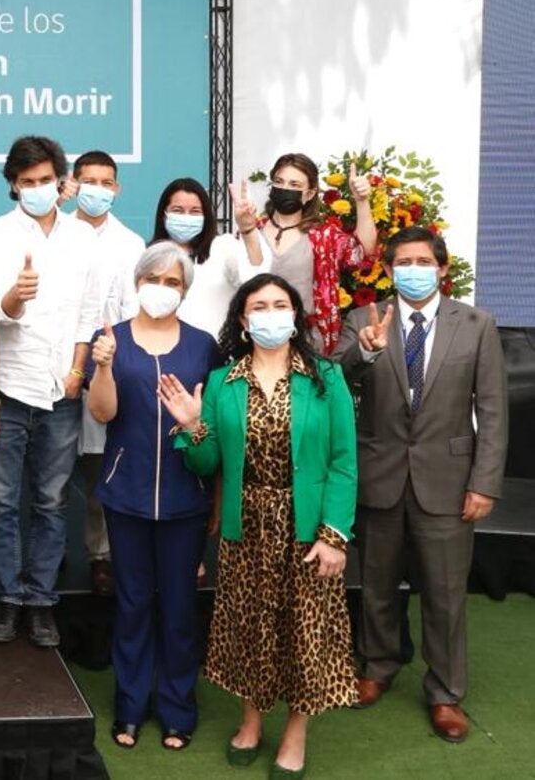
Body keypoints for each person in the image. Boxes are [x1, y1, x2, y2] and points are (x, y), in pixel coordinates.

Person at [161, 273, 358, 778]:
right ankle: (250, 721)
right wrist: (192, 425)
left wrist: (333, 535)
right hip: (245, 526)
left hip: (307, 528)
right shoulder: (224, 382)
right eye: (259, 307)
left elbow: (343, 461)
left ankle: (295, 733)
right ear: (244, 322)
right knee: (250, 629)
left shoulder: (326, 378)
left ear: (294, 316)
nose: (272, 314)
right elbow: (207, 463)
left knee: (304, 634)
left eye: (280, 305)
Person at [335, 227, 507, 743]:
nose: (414, 270)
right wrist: (363, 352)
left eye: (423, 261)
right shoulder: (362, 319)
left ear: (442, 268)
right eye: (403, 263)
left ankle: (445, 691)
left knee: (445, 592)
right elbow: (334, 380)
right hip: (380, 475)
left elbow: (492, 410)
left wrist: (484, 483)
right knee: (377, 586)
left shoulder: (476, 325)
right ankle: (378, 666)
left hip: (449, 481)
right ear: (389, 270)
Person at [86, 242, 220, 751]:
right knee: (133, 603)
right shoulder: (112, 340)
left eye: (173, 283)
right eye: (154, 280)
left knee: (180, 607)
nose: (162, 290)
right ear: (138, 282)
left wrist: (195, 426)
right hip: (127, 495)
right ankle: (130, 706)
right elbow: (102, 414)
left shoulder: (203, 346)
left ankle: (178, 709)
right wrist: (102, 368)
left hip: (187, 498)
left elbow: (213, 426)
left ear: (185, 291)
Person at [0, 136, 100, 647]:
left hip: (61, 390)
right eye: (27, 182)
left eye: (46, 180)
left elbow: (89, 313)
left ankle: (42, 600)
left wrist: (78, 370)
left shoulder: (82, 237)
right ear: (13, 185)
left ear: (60, 181)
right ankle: (8, 599)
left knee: (51, 501)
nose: (38, 189)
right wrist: (14, 298)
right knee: (2, 502)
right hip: (7, 386)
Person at [67, 150, 143, 596]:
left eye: (106, 182)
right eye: (88, 181)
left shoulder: (131, 244)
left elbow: (134, 313)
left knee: (101, 469)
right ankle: (47, 556)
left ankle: (101, 556)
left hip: (109, 370)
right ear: (73, 183)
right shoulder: (57, 235)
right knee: (51, 476)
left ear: (117, 189)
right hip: (59, 370)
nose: (97, 189)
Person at [243, 153, 377, 354]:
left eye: (294, 185)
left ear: (310, 193)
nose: (285, 189)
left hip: (308, 341)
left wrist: (362, 201)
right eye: (279, 182)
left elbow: (363, 254)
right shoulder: (251, 231)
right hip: (257, 335)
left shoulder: (324, 236)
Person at [147, 177, 268, 338]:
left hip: (215, 347)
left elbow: (255, 275)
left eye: (195, 211)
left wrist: (248, 229)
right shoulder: (147, 257)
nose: (186, 216)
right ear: (164, 215)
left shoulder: (222, 247)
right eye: (178, 210)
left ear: (206, 216)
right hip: (161, 345)